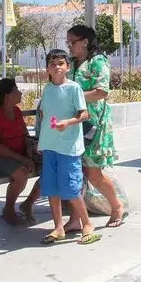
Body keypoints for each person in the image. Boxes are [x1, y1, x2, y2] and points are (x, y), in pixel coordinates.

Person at [64, 24, 126, 231]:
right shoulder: (71, 64)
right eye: (68, 42)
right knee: (76, 172)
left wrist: (74, 97)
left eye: (73, 42)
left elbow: (102, 92)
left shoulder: (98, 62)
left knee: (93, 173)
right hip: (74, 122)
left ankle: (116, 206)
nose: (70, 46)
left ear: (85, 42)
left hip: (94, 123)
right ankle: (74, 219)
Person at [37, 49, 100, 245]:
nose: (57, 67)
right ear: (47, 68)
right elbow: (43, 115)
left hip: (69, 148)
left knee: (72, 189)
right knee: (51, 189)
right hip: (49, 146)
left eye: (60, 63)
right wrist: (41, 140)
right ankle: (58, 227)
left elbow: (84, 115)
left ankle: (87, 224)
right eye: (53, 63)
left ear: (67, 67)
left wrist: (68, 123)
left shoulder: (74, 89)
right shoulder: (47, 89)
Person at [0, 78, 41, 226]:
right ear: (7, 96)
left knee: (51, 167)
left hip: (18, 157)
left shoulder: (17, 111)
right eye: (16, 91)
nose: (20, 93)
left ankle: (28, 203)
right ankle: (8, 211)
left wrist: (30, 152)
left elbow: (25, 135)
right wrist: (22, 159)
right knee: (21, 173)